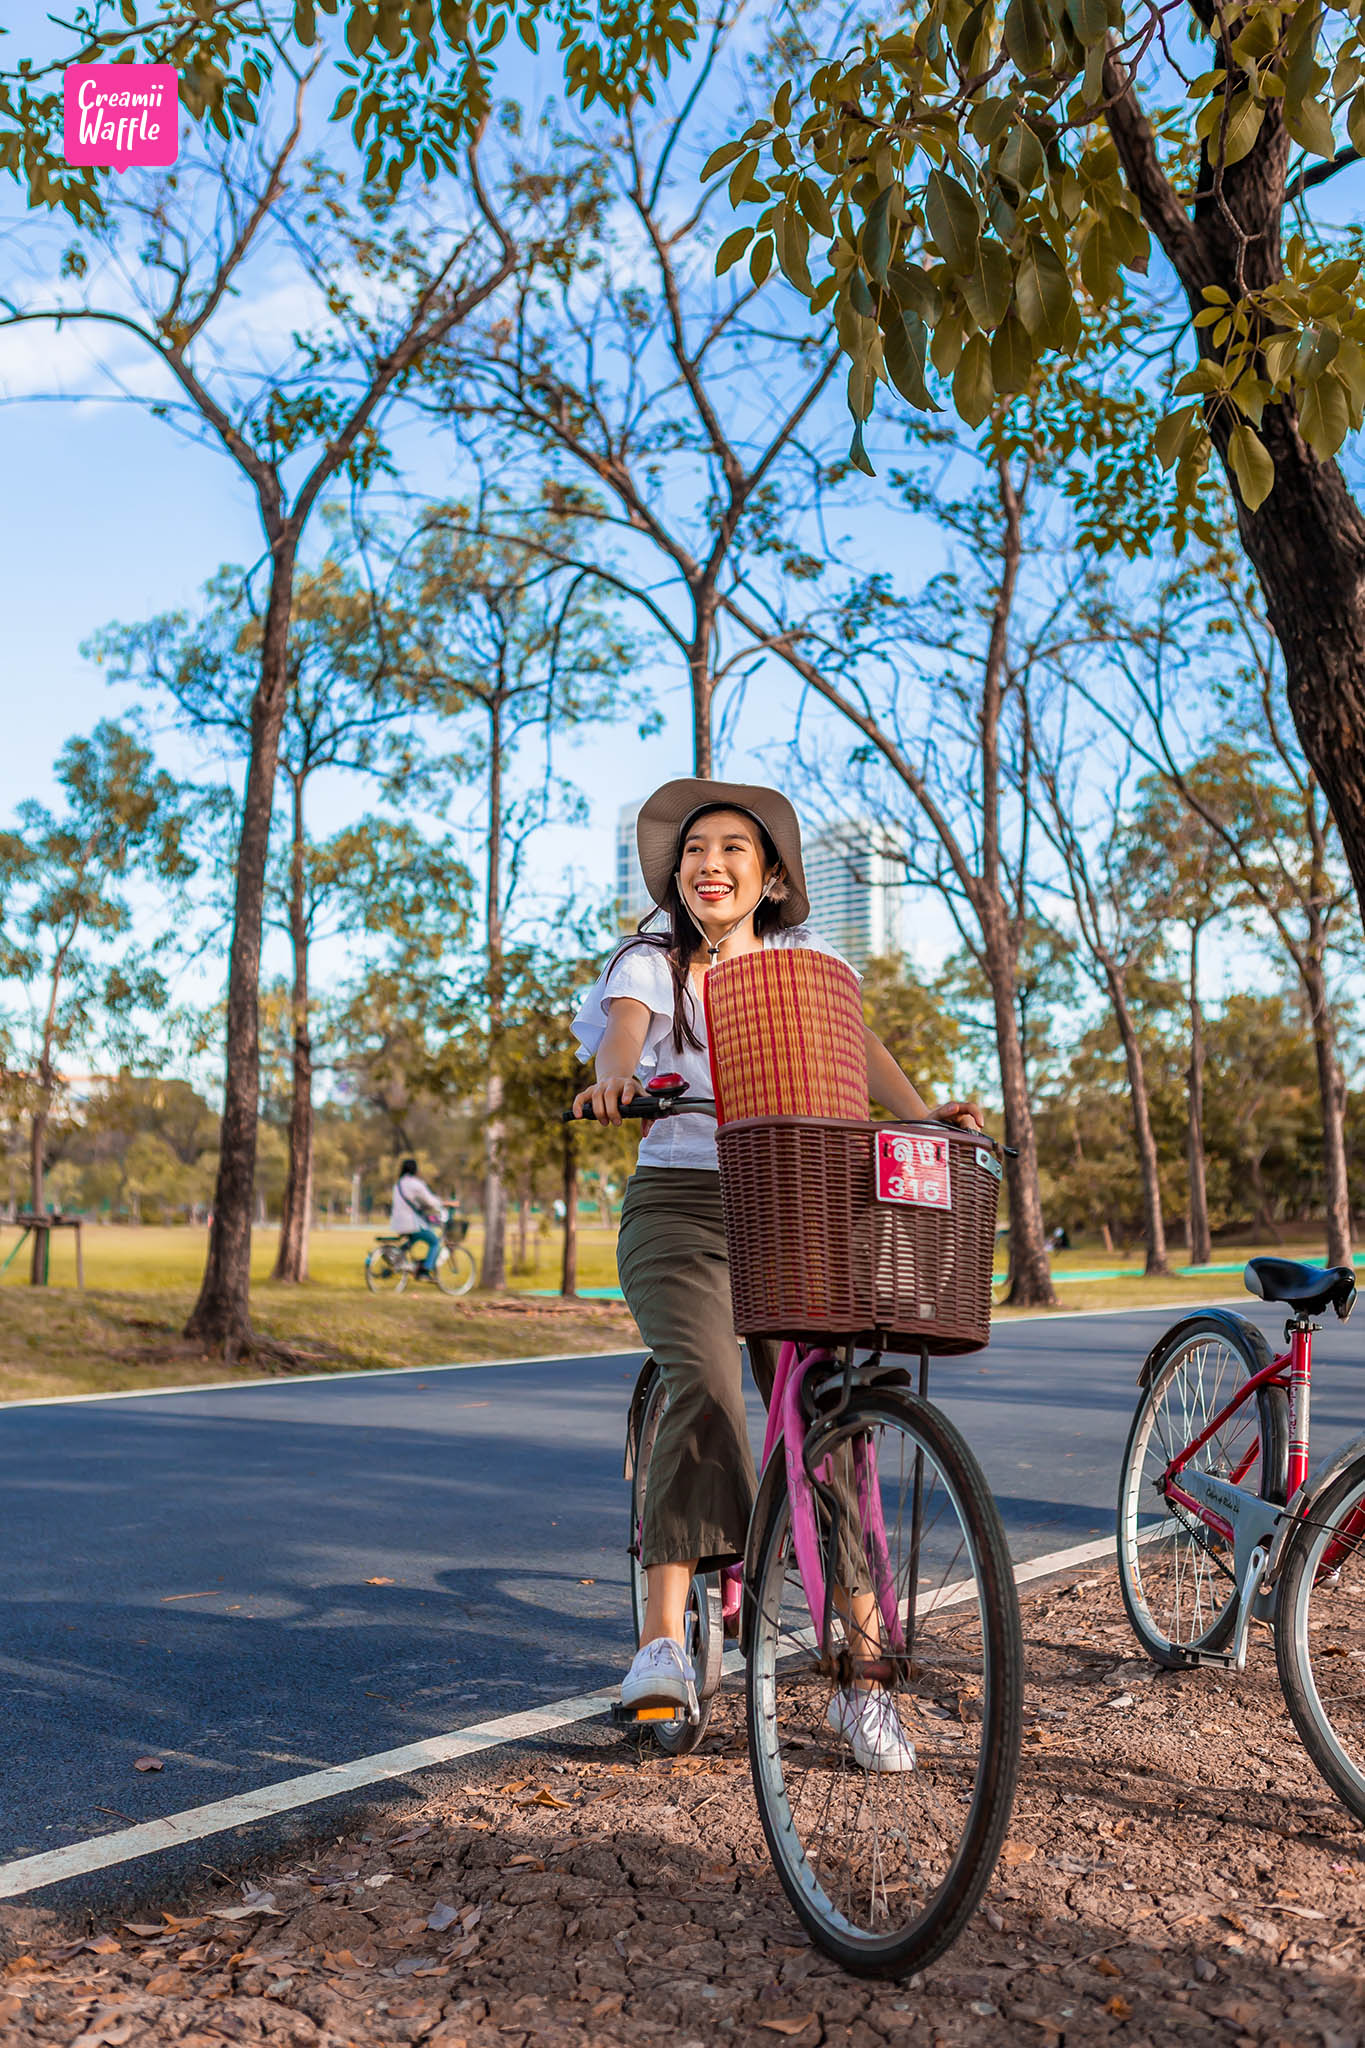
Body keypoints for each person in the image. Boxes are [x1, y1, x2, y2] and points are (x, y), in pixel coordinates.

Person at [572, 778, 983, 1772]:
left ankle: (864, 1671)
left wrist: (926, 1114)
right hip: (680, 1208)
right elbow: (625, 1027)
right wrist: (617, 1076)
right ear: (678, 876)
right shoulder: (650, 963)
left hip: (791, 1201)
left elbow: (859, 1044)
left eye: (732, 850)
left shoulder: (807, 964)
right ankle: (661, 1648)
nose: (709, 864)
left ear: (771, 877)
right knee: (706, 1385)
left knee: (826, 1420)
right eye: (693, 851)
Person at [390, 1157, 447, 1274]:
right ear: (415, 1170)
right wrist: (444, 1203)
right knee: (434, 1241)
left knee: (414, 1238)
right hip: (411, 1222)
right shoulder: (415, 1184)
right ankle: (426, 1269)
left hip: (397, 1222)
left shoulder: (398, 1184)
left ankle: (396, 1256)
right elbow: (430, 1201)